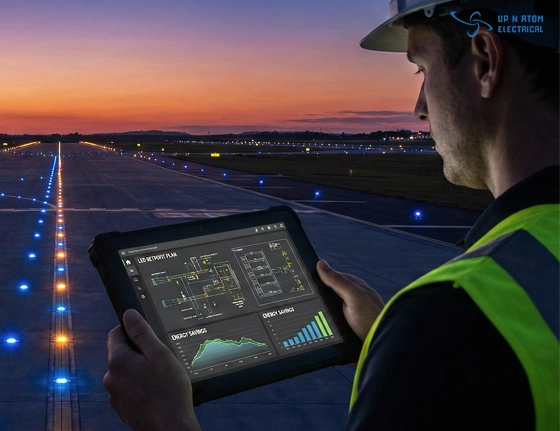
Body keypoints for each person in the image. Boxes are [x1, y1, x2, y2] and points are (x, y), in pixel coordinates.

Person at [103, 0, 559, 429]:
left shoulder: (455, 313)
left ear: (485, 62)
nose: (420, 108)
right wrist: (386, 340)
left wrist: (167, 420)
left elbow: (469, 359)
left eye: (423, 70)